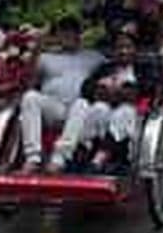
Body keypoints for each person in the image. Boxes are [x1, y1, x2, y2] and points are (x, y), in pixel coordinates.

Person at [51, 28, 149, 172]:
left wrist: (119, 90)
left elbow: (145, 89)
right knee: (98, 108)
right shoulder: (105, 68)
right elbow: (86, 88)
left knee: (123, 112)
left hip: (130, 112)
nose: (123, 51)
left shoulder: (142, 70)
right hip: (104, 109)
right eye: (119, 48)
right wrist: (101, 87)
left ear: (135, 50)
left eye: (128, 47)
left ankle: (101, 156)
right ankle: (83, 151)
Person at [19, 15, 104, 172]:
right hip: (53, 107)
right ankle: (33, 158)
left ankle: (59, 159)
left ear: (79, 34)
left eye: (71, 32)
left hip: (79, 111)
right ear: (57, 35)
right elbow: (29, 82)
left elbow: (116, 64)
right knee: (29, 97)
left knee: (82, 103)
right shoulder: (45, 57)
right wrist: (37, 48)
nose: (68, 36)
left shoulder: (93, 57)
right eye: (63, 32)